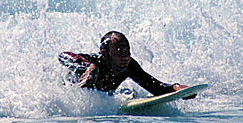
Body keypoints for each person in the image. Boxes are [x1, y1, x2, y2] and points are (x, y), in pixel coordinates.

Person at [58, 31, 188, 96]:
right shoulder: (94, 61)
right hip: (67, 95)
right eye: (119, 52)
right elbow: (63, 56)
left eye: (128, 51)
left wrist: (176, 88)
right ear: (104, 53)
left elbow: (156, 88)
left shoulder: (129, 66)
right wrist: (87, 67)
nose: (125, 57)